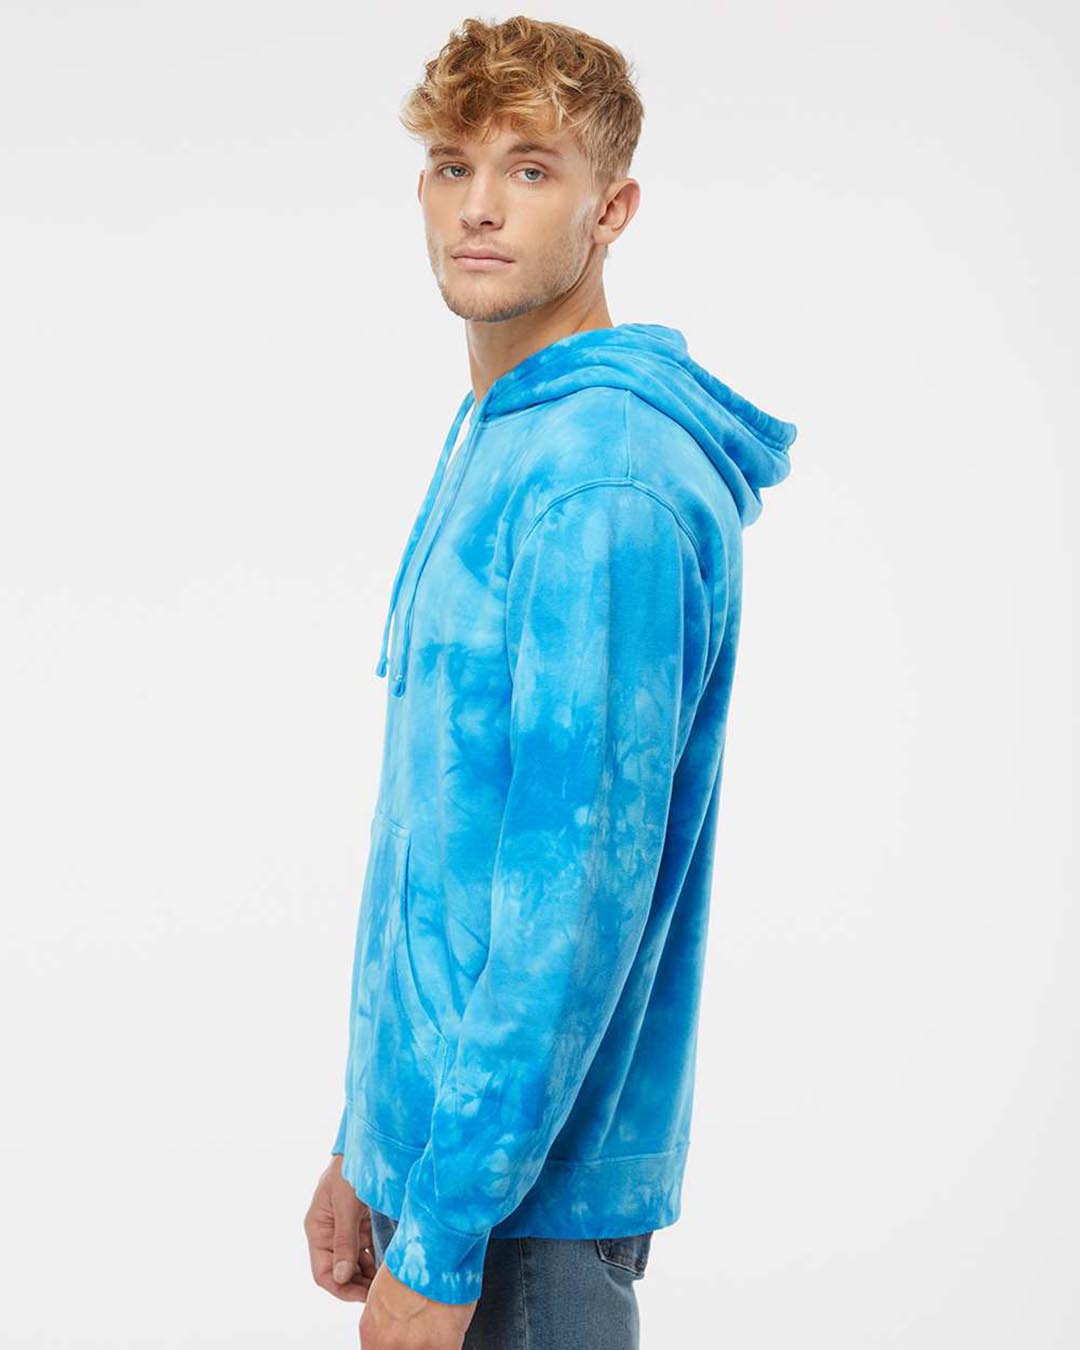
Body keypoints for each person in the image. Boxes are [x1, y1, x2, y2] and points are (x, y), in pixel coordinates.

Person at [303, 15, 797, 1349]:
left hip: (521, 1228)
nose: (478, 205)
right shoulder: (505, 435)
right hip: (451, 1178)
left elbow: (566, 912)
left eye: (530, 168)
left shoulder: (603, 482)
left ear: (611, 209)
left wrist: (446, 1232)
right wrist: (367, 1139)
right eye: (452, 164)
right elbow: (437, 850)